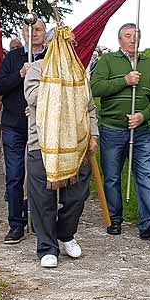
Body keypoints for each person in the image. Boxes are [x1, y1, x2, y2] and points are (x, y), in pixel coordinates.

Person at [24, 33, 98, 269]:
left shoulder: (80, 72)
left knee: (77, 196)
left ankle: (66, 234)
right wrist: (60, 82)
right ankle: (47, 247)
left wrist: (94, 135)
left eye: (71, 44)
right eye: (61, 44)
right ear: (49, 46)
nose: (67, 48)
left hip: (77, 145)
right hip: (43, 145)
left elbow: (90, 107)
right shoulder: (36, 69)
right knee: (43, 200)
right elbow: (33, 97)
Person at [90, 23, 150, 239]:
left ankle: (148, 224)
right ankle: (114, 220)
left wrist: (143, 115)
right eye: (128, 36)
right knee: (112, 177)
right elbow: (95, 88)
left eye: (136, 36)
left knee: (145, 175)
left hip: (141, 131)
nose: (133, 40)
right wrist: (125, 80)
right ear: (120, 40)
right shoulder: (107, 61)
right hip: (112, 129)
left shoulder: (149, 64)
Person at [0, 19, 47, 245]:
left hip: (42, 126)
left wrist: (37, 106)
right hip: (14, 125)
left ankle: (40, 221)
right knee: (15, 175)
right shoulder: (13, 58)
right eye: (29, 29)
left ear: (45, 33)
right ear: (23, 33)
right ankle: (16, 223)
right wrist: (19, 74)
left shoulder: (51, 58)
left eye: (38, 30)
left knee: (42, 176)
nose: (33, 33)